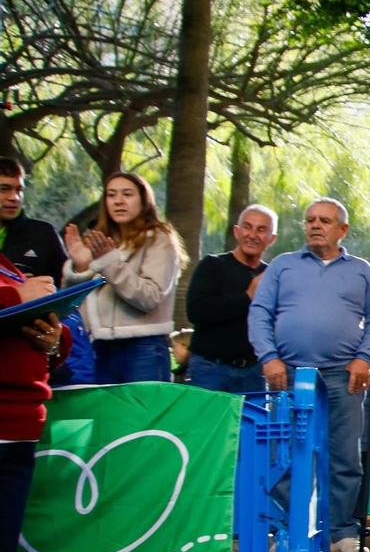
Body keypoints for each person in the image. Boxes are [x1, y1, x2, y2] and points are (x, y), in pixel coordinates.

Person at [248, 198, 370, 552]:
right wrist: (269, 357)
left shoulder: (362, 271)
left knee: (344, 458)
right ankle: (287, 531)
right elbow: (259, 312)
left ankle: (340, 532)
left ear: (343, 230)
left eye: (324, 220)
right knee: (284, 456)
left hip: (343, 378)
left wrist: (363, 358)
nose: (315, 225)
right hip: (287, 375)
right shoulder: (282, 266)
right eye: (309, 220)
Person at [0, 254, 71, 552]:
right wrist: (17, 299)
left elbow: (59, 345)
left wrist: (52, 339)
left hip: (19, 433)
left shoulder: (10, 267)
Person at [63, 171, 186, 383]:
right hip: (99, 346)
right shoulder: (101, 240)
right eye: (111, 195)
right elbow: (72, 306)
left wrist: (109, 263)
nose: (118, 201)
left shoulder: (158, 238)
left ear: (143, 200)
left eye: (127, 194)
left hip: (142, 348)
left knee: (144, 416)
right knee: (107, 416)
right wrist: (80, 268)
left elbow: (150, 297)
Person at [185, 204, 277, 393]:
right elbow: (196, 311)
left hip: (254, 372)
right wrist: (247, 297)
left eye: (261, 230)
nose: (252, 235)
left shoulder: (271, 275)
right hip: (210, 369)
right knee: (207, 423)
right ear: (236, 231)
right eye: (247, 227)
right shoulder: (212, 265)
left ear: (271, 239)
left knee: (253, 423)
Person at [0, 158, 67, 282]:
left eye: (19, 190)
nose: (14, 197)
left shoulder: (43, 234)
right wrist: (10, 289)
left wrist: (80, 267)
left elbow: (67, 289)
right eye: (4, 189)